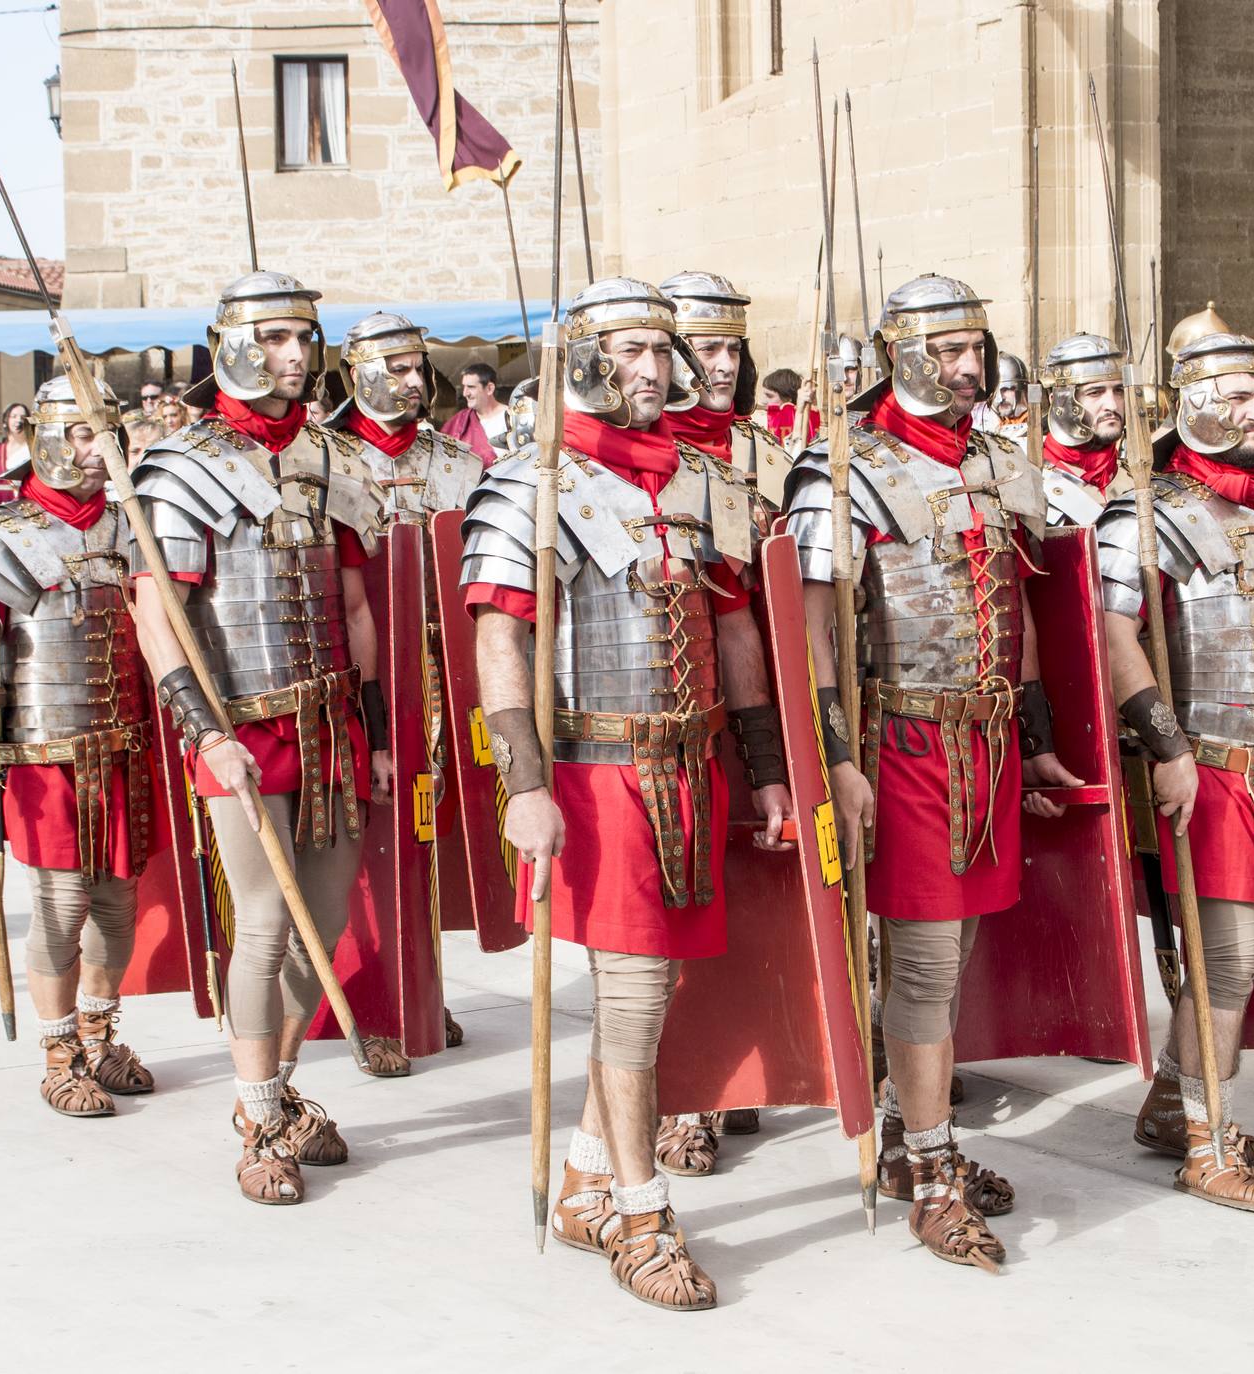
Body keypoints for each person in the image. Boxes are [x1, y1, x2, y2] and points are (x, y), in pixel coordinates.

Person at [462, 277, 789, 1310]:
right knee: (636, 996)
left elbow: (736, 633)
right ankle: (641, 1213)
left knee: (655, 995)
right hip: (596, 772)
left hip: (692, 768)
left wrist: (769, 766)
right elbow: (499, 637)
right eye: (634, 352)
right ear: (593, 362)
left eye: (664, 351)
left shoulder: (701, 480)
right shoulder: (532, 483)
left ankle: (588, 1179)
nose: (657, 370)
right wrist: (520, 782)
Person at [785, 275, 1081, 1270]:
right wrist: (835, 756)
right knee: (919, 963)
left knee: (948, 963)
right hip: (903, 743)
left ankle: (914, 1137)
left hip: (987, 745)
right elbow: (817, 635)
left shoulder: (999, 463)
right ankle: (933, 1163)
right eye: (947, 349)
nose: (967, 366)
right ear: (904, 352)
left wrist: (1034, 734)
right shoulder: (842, 468)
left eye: (975, 346)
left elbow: (1022, 614)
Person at [128, 270, 390, 1205]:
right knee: (269, 922)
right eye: (273, 338)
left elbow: (354, 605)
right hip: (242, 728)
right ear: (230, 345)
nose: (292, 355)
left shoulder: (330, 458)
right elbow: (160, 616)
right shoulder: (181, 466)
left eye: (302, 338)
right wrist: (206, 734)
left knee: (325, 924)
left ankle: (271, 1091)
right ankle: (256, 1112)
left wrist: (375, 727)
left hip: (329, 724)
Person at [1098, 332, 1254, 1217]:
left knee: (1249, 952)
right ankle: (1206, 1138)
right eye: (1237, 397)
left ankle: (1169, 1101)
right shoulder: (1147, 510)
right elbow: (1115, 637)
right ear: (1189, 402)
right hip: (1211, 765)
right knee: (1226, 961)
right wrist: (1166, 749)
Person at [0, 375, 160, 1116]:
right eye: (84, 434)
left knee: (118, 907)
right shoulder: (3, 534)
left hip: (124, 743)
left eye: (106, 432)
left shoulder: (134, 525)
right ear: (51, 439)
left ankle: (99, 1033)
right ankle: (59, 1052)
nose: (99, 451)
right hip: (43, 754)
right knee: (61, 907)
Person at [651, 269, 799, 1170]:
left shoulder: (769, 455)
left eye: (732, 347)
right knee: (680, 902)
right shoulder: (639, 461)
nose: (721, 363)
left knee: (761, 899)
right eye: (703, 345)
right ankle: (683, 1095)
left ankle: (748, 1063)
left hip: (768, 703)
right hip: (674, 704)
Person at [330, 309, 484, 1067]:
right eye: (395, 368)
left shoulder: (455, 462)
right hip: (359, 672)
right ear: (357, 371)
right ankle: (376, 1004)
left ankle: (419, 982)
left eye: (418, 366)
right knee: (368, 841)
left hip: (439, 670)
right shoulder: (326, 459)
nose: (413, 380)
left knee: (429, 834)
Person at [1038, 333, 1135, 527]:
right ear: (1059, 401)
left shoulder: (1134, 478)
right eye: (1095, 393)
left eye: (1118, 391)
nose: (1112, 406)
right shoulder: (1031, 477)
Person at [439, 360, 509, 464]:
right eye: (464, 387)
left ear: (489, 388)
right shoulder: (459, 422)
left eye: (471, 387)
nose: (465, 393)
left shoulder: (510, 417)